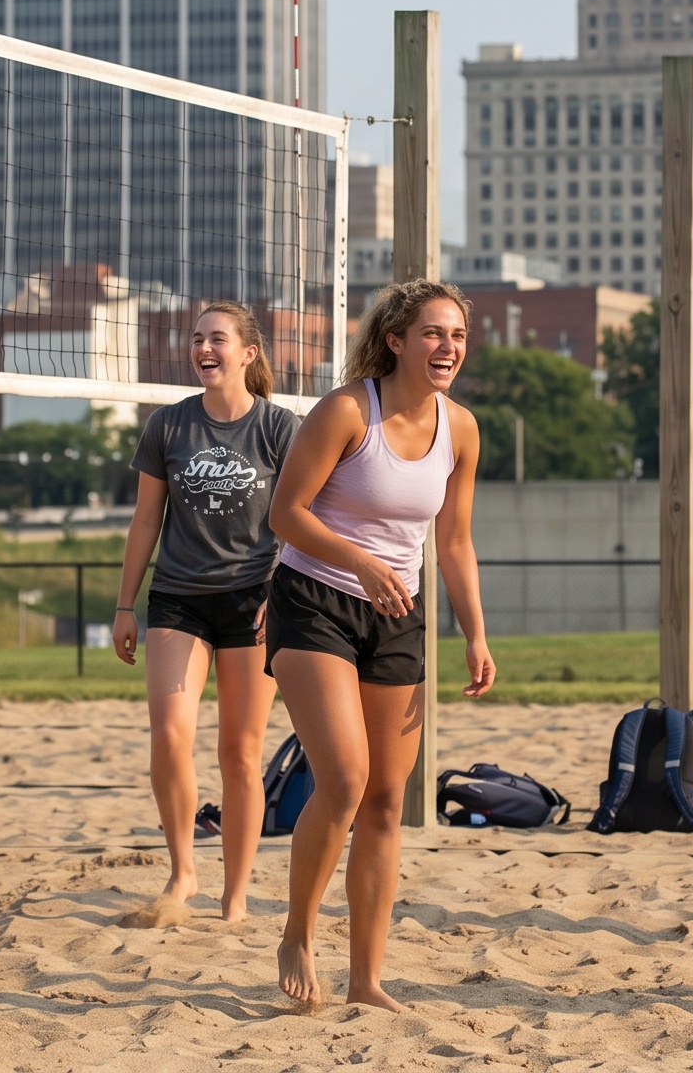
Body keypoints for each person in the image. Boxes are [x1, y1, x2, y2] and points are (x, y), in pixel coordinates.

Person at [265, 279, 497, 1011]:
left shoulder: (460, 428)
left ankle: (366, 978)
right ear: (396, 340)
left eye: (457, 336)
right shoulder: (344, 410)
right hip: (313, 601)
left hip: (398, 614)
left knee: (391, 799)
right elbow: (285, 514)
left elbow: (454, 541)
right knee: (344, 778)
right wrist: (359, 561)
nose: (448, 348)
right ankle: (298, 931)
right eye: (434, 333)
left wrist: (476, 634)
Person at [113, 303, 297, 927]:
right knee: (169, 736)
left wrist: (284, 590)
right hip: (178, 597)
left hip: (255, 596)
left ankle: (236, 894)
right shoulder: (168, 426)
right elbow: (145, 522)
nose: (204, 349)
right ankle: (184, 871)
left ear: (248, 352)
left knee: (241, 755)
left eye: (217, 339)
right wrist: (123, 605)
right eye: (197, 340)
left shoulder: (279, 427)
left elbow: (303, 518)